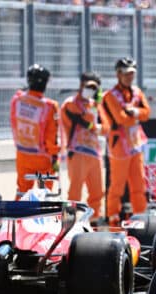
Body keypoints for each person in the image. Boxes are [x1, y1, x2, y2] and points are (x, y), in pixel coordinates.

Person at [99, 57, 151, 225]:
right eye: (126, 74)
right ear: (118, 74)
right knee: (117, 186)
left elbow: (147, 113)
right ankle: (113, 218)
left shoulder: (137, 92)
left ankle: (140, 218)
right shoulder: (110, 95)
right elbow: (120, 118)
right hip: (119, 147)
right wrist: (135, 115)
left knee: (139, 185)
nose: (130, 77)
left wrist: (133, 112)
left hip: (136, 144)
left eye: (132, 74)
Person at [10, 64, 60, 196]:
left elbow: (14, 122)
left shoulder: (17, 100)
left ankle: (17, 216)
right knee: (44, 194)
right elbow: (51, 137)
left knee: (22, 192)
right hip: (42, 158)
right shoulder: (49, 106)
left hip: (22, 154)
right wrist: (55, 156)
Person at [60, 72, 103, 221]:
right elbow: (82, 119)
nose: (90, 89)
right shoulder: (70, 104)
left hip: (94, 153)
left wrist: (98, 100)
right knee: (75, 191)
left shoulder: (95, 105)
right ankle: (68, 223)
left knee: (97, 193)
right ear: (81, 85)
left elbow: (106, 125)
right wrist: (93, 124)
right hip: (77, 151)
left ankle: (94, 223)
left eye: (94, 87)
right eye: (88, 85)